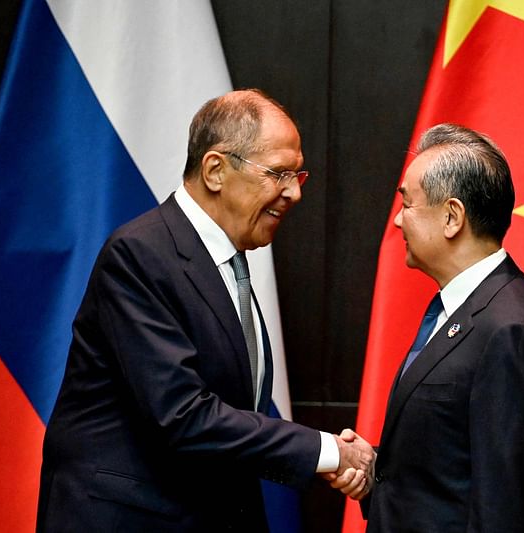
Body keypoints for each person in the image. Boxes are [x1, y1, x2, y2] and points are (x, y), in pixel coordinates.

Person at [36, 89, 373, 532]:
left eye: (298, 175)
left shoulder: (226, 263)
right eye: (278, 173)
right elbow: (183, 415)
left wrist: (320, 455)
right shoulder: (141, 255)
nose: (293, 193)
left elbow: (232, 408)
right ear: (215, 170)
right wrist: (326, 451)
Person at [333, 123, 524, 531]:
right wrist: (375, 469)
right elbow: (451, 464)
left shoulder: (508, 330)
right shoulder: (459, 306)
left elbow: (504, 511)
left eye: (408, 204)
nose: (398, 222)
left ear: (452, 217)